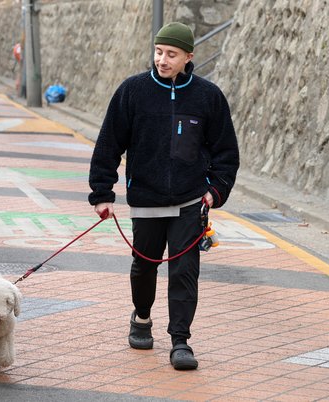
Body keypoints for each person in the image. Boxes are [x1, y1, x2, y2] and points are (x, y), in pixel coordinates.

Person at [88, 22, 240, 370]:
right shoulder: (133, 91)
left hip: (190, 201)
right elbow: (109, 143)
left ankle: (181, 340)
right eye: (159, 52)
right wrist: (102, 193)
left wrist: (216, 191)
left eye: (171, 54)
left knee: (185, 270)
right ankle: (142, 317)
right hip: (146, 199)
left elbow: (226, 152)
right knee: (145, 266)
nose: (162, 60)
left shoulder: (208, 97)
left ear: (189, 56)